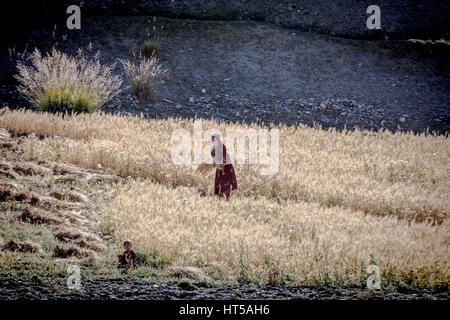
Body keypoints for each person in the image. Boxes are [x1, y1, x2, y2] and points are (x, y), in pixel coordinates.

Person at [211, 134, 238, 200]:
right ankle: (219, 196)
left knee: (225, 181)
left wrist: (221, 165)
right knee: (219, 181)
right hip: (219, 166)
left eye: (215, 139)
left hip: (226, 166)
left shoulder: (222, 146)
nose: (213, 141)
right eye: (212, 139)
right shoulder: (213, 147)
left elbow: (224, 158)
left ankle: (225, 196)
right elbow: (213, 157)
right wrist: (214, 163)